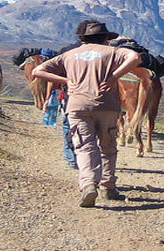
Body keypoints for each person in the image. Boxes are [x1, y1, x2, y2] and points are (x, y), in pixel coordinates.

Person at [33, 20, 141, 207]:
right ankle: (108, 186)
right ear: (105, 38)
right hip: (106, 105)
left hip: (77, 106)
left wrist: (65, 80)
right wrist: (114, 77)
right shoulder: (113, 52)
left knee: (84, 146)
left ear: (82, 38)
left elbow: (37, 70)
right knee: (108, 146)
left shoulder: (69, 55)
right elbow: (135, 58)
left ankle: (89, 184)